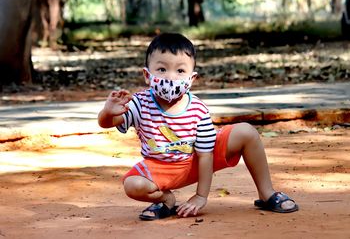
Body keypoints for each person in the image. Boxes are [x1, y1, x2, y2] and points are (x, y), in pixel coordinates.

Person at [98, 33, 298, 220]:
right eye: (161, 69)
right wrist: (108, 112)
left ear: (191, 78)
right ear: (147, 75)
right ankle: (166, 200)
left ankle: (267, 193)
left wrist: (201, 196)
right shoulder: (140, 103)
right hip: (160, 168)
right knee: (133, 185)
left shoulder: (198, 109)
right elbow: (109, 123)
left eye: (180, 70)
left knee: (246, 131)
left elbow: (205, 155)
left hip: (196, 161)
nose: (171, 77)